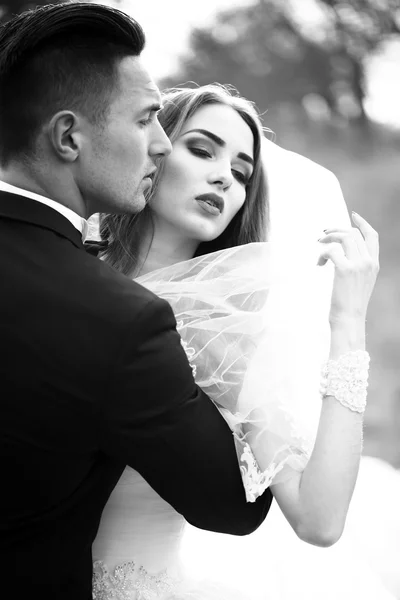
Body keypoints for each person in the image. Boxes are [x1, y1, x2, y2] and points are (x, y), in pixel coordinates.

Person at [0, 6, 273, 599]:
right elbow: (234, 504)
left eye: (242, 169)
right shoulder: (120, 319)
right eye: (148, 119)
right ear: (68, 136)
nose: (160, 144)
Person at [94, 84, 383, 599]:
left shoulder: (224, 335)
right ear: (152, 149)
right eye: (202, 150)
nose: (224, 175)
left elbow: (319, 520)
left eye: (242, 172)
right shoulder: (66, 274)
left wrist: (348, 319)